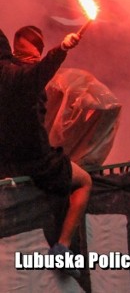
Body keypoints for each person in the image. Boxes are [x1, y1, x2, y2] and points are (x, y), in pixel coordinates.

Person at [0, 26, 92, 278]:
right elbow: (40, 72)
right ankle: (62, 248)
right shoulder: (24, 77)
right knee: (84, 181)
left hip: (3, 164)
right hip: (34, 162)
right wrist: (62, 49)